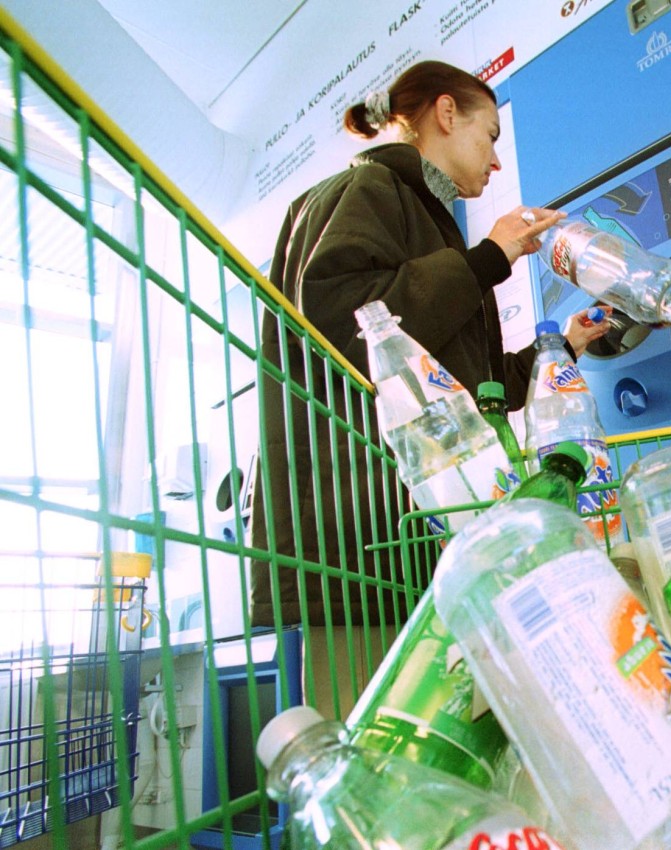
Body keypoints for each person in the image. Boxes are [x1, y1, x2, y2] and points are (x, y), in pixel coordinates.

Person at [248, 61, 610, 708]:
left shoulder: (425, 218)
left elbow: (464, 386)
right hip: (360, 545)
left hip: (418, 535)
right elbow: (344, 327)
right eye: (490, 134)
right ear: (447, 114)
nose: (496, 159)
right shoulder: (361, 192)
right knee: (376, 753)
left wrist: (567, 346)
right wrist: (488, 260)